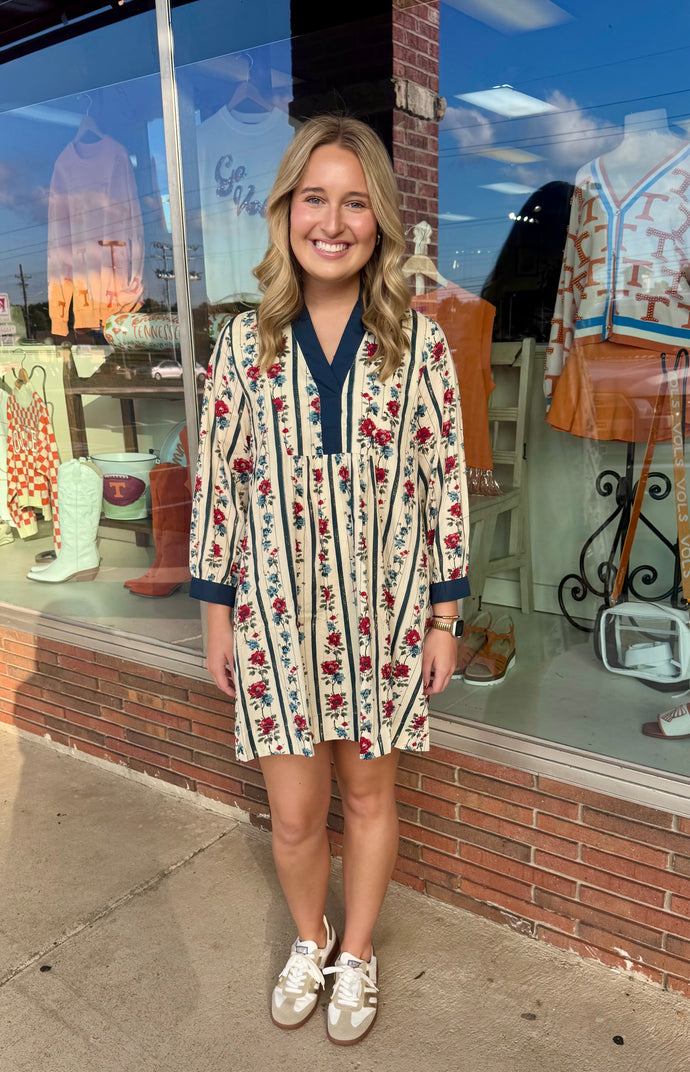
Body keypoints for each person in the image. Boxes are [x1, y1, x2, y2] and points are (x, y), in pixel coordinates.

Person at [190, 115, 469, 1045]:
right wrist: (217, 613)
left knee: (368, 796)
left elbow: (442, 483)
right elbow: (221, 479)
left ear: (380, 221)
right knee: (297, 811)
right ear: (286, 213)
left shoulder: (417, 346)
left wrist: (443, 613)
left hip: (383, 617)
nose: (335, 221)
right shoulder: (242, 344)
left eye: (357, 201)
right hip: (275, 615)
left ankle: (358, 954)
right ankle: (306, 942)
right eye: (316, 199)